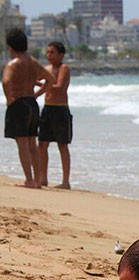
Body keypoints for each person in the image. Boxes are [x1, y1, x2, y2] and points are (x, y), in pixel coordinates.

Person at [2, 28, 55, 188]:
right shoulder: (33, 62)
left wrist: (9, 99)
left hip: (19, 104)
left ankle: (29, 180)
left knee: (23, 143)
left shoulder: (14, 63)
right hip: (32, 103)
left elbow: (5, 82)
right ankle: (37, 181)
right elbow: (50, 79)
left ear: (10, 47)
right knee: (32, 143)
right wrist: (37, 94)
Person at [35, 41, 72, 189]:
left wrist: (43, 85)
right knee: (42, 144)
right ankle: (43, 178)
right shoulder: (47, 69)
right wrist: (36, 92)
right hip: (47, 109)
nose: (49, 55)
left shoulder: (64, 69)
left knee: (62, 145)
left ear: (61, 55)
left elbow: (59, 88)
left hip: (60, 110)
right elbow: (42, 84)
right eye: (48, 52)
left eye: (52, 52)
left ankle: (65, 181)